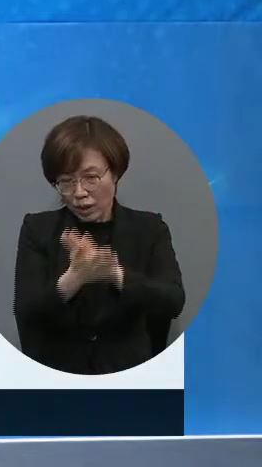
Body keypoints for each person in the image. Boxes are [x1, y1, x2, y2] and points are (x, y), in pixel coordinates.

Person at [13, 115, 185, 375]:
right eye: (66, 181)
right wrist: (72, 279)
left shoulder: (149, 229)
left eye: (90, 178)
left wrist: (115, 275)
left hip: (131, 377)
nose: (79, 192)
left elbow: (173, 302)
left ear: (115, 173)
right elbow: (26, 312)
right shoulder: (38, 229)